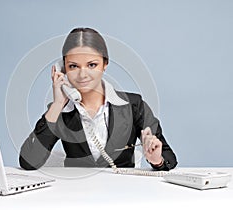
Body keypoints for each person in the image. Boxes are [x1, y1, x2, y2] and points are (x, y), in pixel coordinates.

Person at [19, 27, 177, 171]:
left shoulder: (133, 105)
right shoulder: (60, 111)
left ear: (105, 64)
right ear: (63, 69)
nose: (83, 75)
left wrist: (157, 160)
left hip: (123, 192)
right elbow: (28, 162)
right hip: (75, 192)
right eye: (73, 66)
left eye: (92, 65)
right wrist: (58, 104)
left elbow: (170, 158)